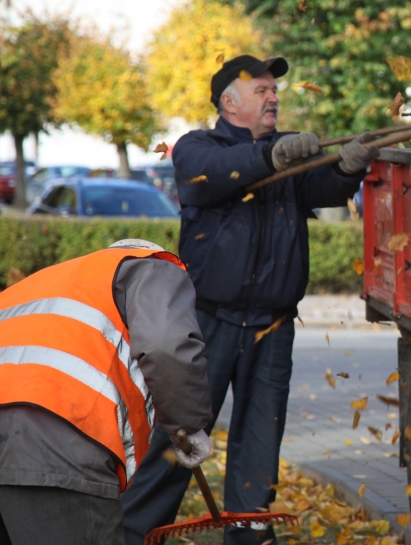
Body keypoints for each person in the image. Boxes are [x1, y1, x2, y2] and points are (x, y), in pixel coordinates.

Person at [121, 55, 378, 544]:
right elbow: (211, 174)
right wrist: (270, 158)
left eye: (274, 90)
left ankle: (250, 539)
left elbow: (319, 186)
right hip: (207, 324)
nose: (274, 97)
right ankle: (133, 534)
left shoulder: (285, 149)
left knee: (259, 452)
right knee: (180, 441)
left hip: (273, 328)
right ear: (229, 102)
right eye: (261, 90)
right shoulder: (198, 149)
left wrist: (347, 169)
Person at [0, 239, 212, 545]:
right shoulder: (153, 267)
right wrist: (188, 424)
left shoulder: (43, 283)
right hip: (59, 440)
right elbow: (165, 345)